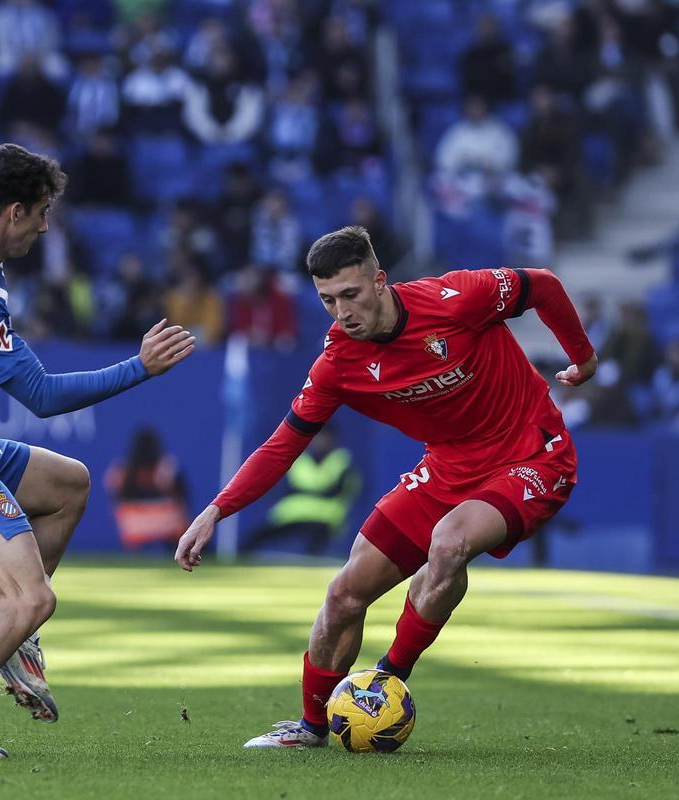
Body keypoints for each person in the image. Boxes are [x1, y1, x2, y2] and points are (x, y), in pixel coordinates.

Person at [174, 226, 596, 748]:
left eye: (350, 294)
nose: (342, 312)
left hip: (532, 453)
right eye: (327, 300)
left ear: (379, 280)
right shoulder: (338, 364)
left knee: (449, 542)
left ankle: (386, 680)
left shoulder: (457, 298)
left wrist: (583, 357)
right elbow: (283, 444)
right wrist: (217, 510)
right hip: (447, 468)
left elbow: (544, 285)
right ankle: (309, 728)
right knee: (344, 595)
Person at [0, 126, 194, 758]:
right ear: (14, 212)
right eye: (42, 214)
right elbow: (43, 396)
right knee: (33, 596)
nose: (46, 228)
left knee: (69, 484)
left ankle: (15, 638)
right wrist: (140, 368)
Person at [242, 425, 360, 556]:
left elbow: (341, 493)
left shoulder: (343, 463)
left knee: (313, 546)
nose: (320, 441)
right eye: (317, 437)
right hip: (291, 516)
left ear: (333, 439)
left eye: (324, 437)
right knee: (255, 537)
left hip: (324, 520)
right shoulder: (299, 460)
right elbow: (284, 490)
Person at [104, 427, 190, 550]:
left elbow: (183, 501)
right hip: (137, 523)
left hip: (157, 522)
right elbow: (116, 498)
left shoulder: (166, 468)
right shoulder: (123, 470)